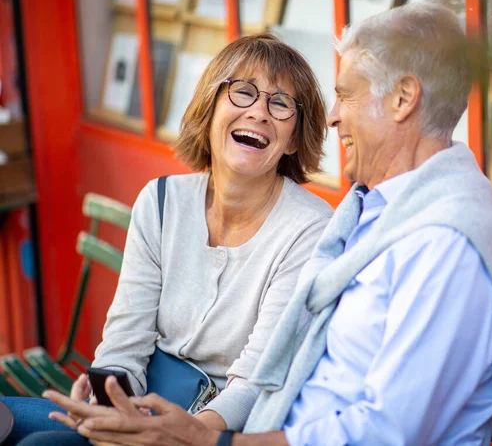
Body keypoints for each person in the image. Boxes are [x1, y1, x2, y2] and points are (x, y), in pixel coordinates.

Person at [37, 2, 492, 446]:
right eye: (242, 94)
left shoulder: (442, 245)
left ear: (402, 99)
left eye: (345, 95)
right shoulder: (377, 213)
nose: (332, 118)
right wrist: (114, 393)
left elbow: (388, 432)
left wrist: (210, 441)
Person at [3, 33, 333, 445]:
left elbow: (259, 378)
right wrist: (112, 401)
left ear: (296, 138)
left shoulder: (310, 228)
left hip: (218, 429)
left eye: (281, 104)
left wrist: (185, 432)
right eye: (243, 92)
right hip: (144, 400)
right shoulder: (162, 200)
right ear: (210, 107)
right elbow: (126, 338)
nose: (260, 112)